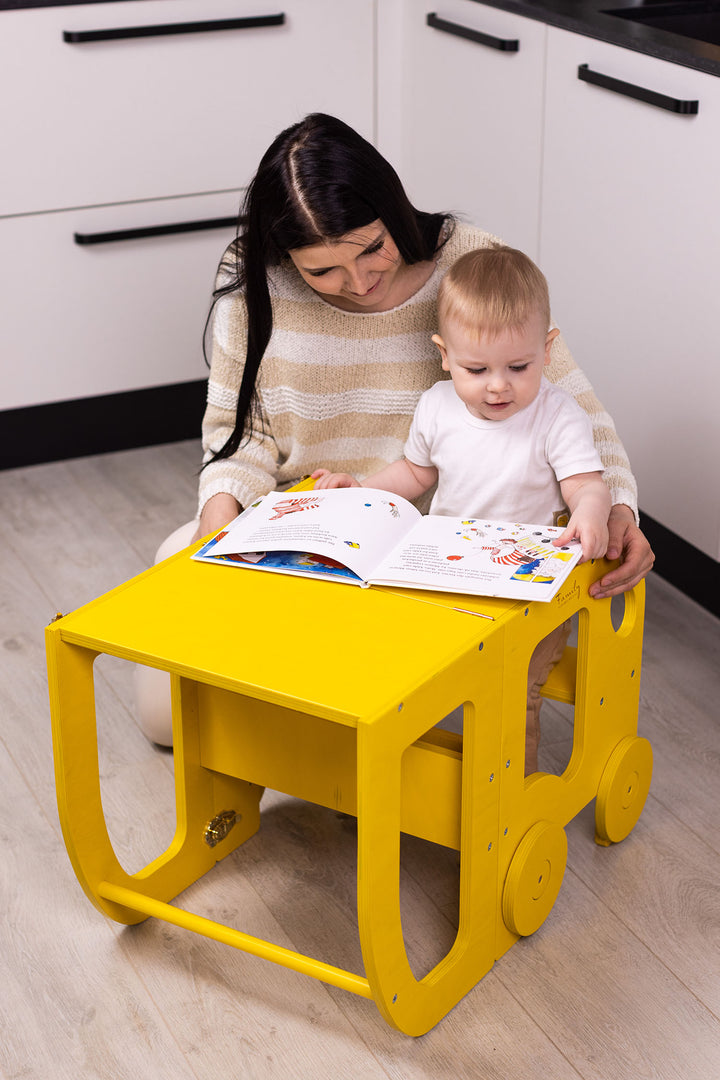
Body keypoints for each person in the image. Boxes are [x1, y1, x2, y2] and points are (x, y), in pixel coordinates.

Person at [136, 112, 653, 746]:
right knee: (170, 719)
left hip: (438, 541)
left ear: (392, 208)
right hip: (317, 522)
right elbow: (238, 435)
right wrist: (218, 525)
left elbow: (569, 406)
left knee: (419, 727)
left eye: (371, 248)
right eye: (322, 271)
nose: (358, 283)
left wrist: (617, 504)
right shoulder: (252, 278)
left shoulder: (470, 263)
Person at [312, 245, 611, 773]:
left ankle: (508, 798)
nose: (498, 385)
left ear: (547, 349)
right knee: (388, 662)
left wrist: (591, 511)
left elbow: (585, 484)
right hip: (443, 575)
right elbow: (415, 474)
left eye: (519, 366)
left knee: (513, 689)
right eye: (476, 368)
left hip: (523, 590)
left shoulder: (557, 416)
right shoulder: (438, 404)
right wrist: (359, 488)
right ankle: (397, 773)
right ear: (445, 354)